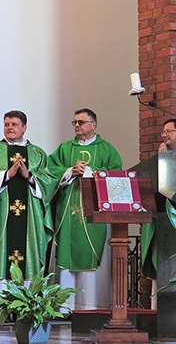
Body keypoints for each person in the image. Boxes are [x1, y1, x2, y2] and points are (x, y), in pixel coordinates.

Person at [0, 110, 55, 302]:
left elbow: (50, 181)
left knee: (29, 256)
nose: (9, 128)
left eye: (14, 124)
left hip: (30, 218)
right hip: (0, 215)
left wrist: (28, 175)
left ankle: (29, 306)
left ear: (24, 128)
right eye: (6, 124)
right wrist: (7, 175)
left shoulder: (37, 154)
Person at [48, 108, 121, 310]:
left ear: (93, 125)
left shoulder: (106, 149)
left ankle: (92, 305)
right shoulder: (64, 149)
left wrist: (89, 172)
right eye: (74, 122)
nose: (77, 126)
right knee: (67, 251)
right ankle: (65, 306)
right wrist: (70, 171)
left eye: (81, 122)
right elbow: (50, 171)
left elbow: (116, 177)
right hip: (68, 211)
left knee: (93, 251)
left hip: (95, 212)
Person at [141, 118, 176, 282]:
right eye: (163, 132)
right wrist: (162, 160)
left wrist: (166, 161)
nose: (164, 135)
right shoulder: (162, 157)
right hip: (163, 218)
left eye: (169, 131)